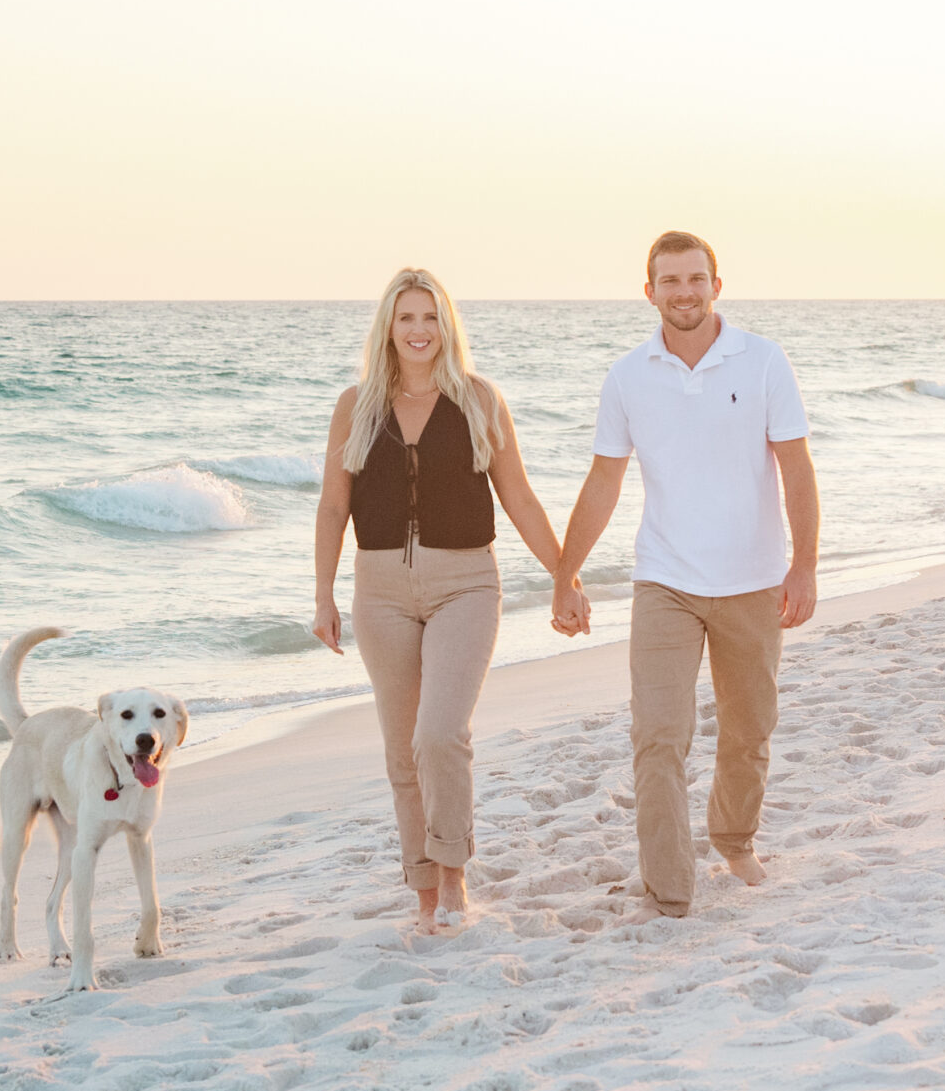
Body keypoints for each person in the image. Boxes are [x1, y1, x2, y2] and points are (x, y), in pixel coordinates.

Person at [551, 232, 820, 921]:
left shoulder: (762, 362)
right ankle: (669, 887)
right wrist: (565, 573)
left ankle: (733, 839)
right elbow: (605, 480)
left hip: (753, 580)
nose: (684, 292)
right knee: (659, 736)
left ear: (716, 284)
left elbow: (795, 468)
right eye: (669, 281)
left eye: (695, 278)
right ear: (649, 292)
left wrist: (804, 565)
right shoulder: (628, 376)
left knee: (748, 729)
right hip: (664, 580)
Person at [311, 266, 566, 933]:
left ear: (446, 325)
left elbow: (519, 497)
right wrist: (323, 594)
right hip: (380, 591)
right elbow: (334, 505)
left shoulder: (480, 398)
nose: (419, 331)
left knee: (439, 734)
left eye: (430, 317)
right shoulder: (355, 405)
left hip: (466, 584)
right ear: (388, 329)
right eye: (406, 318)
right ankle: (423, 891)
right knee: (402, 749)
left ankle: (454, 878)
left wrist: (565, 576)